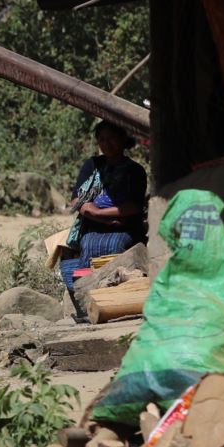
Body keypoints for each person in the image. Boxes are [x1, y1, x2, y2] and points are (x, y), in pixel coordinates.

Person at [61, 120, 148, 322]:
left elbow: (134, 207)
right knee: (86, 245)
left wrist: (100, 213)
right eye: (101, 139)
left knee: (116, 245)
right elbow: (76, 200)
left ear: (123, 139)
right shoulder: (92, 165)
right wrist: (94, 214)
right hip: (92, 226)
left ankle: (116, 300)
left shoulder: (135, 170)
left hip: (124, 227)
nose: (106, 144)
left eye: (111, 138)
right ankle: (88, 302)